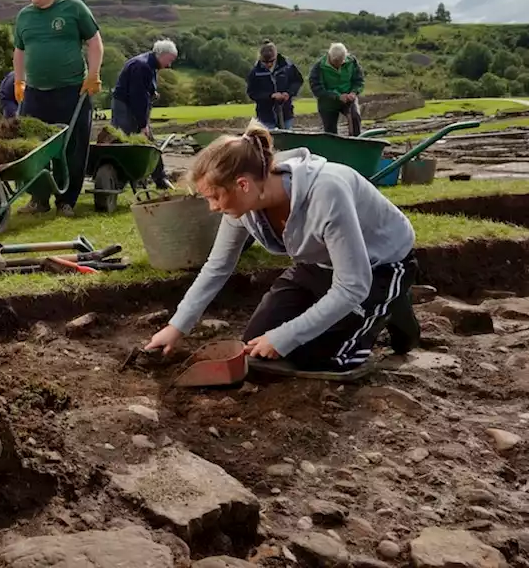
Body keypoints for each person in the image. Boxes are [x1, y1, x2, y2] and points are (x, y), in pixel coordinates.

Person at [142, 121, 419, 372]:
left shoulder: (326, 192)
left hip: (378, 264)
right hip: (319, 263)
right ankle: (369, 307)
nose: (212, 208)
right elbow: (218, 266)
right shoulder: (243, 208)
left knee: (319, 358)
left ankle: (393, 304)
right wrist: (176, 326)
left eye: (214, 197)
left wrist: (285, 336)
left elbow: (353, 286)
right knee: (256, 346)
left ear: (243, 184)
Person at [11, 0, 103, 217]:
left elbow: (95, 42)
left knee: (72, 147)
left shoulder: (73, 8)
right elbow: (19, 51)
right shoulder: (24, 16)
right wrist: (19, 81)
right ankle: (38, 199)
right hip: (36, 94)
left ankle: (67, 201)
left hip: (72, 91)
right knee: (33, 147)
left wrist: (93, 75)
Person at [111, 39, 177, 189]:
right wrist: (142, 124)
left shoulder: (149, 64)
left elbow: (143, 87)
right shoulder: (142, 66)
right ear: (162, 54)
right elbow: (137, 97)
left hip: (131, 104)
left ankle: (159, 179)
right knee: (125, 141)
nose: (169, 64)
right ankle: (123, 180)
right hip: (126, 107)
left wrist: (152, 92)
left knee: (148, 142)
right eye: (170, 60)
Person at [309, 42, 364, 136]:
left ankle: (356, 144)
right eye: (336, 62)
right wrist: (336, 96)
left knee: (355, 118)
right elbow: (317, 89)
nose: (338, 65)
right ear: (330, 57)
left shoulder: (352, 62)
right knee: (330, 131)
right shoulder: (319, 67)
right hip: (328, 103)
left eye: (341, 62)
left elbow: (359, 80)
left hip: (348, 99)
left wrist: (354, 92)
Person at [246, 40, 303, 130]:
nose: (268, 64)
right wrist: (270, 96)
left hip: (286, 112)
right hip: (265, 115)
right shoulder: (255, 72)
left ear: (276, 57)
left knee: (286, 139)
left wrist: (288, 93)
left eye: (271, 61)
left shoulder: (288, 66)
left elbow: (297, 81)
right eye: (265, 62)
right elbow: (252, 93)